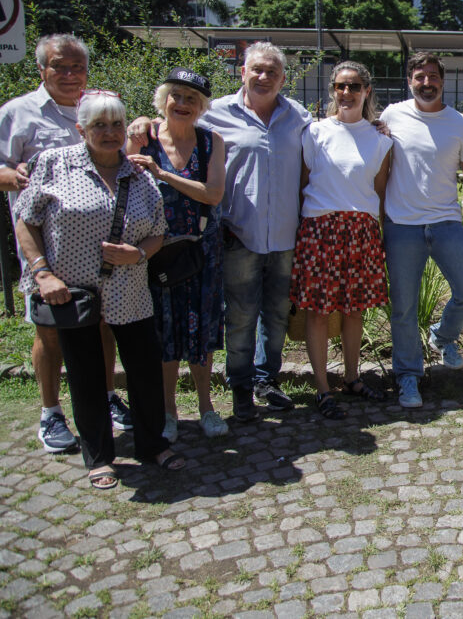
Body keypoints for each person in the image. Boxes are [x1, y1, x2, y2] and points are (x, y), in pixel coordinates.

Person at [12, 92, 182, 490]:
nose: (109, 133)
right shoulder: (55, 165)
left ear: (126, 128)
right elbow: (26, 219)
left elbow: (159, 231)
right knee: (87, 375)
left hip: (130, 291)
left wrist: (137, 252)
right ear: (81, 129)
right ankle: (99, 457)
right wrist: (42, 273)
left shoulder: (139, 174)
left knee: (144, 373)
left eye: (116, 125)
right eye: (99, 125)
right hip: (73, 293)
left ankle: (153, 444)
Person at [0, 33, 130, 454]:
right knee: (50, 330)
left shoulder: (98, 107)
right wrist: (21, 178)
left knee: (102, 323)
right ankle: (51, 412)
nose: (69, 75)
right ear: (42, 70)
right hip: (46, 245)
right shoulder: (19, 113)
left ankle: (103, 397)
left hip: (101, 243)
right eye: (59, 67)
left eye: (76, 67)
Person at [197, 42, 311, 420]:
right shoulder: (214, 115)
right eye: (257, 70)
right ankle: (241, 388)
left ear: (283, 78)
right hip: (238, 236)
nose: (264, 77)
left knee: (277, 315)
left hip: (284, 237)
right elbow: (175, 135)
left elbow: (333, 137)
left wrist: (376, 125)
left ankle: (267, 379)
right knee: (241, 317)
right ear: (242, 72)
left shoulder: (297, 117)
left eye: (273, 72)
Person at [126, 68, 229, 440]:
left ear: (201, 107)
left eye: (191, 99)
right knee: (164, 333)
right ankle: (168, 412)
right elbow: (121, 184)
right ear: (163, 100)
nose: (183, 104)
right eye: (176, 96)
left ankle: (206, 408)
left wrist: (164, 175)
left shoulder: (211, 140)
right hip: (156, 255)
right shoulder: (144, 139)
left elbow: (213, 194)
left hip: (202, 252)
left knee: (202, 331)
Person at [381, 52, 463, 408]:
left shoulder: (462, 125)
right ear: (409, 80)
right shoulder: (391, 116)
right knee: (404, 308)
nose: (427, 83)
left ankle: (442, 336)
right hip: (402, 226)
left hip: (446, 223)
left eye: (433, 76)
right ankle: (408, 377)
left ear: (443, 80)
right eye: (419, 76)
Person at [291, 62, 393, 419]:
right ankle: (322, 388)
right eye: (339, 86)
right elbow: (304, 183)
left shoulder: (381, 138)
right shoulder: (315, 132)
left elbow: (378, 193)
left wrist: (370, 233)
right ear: (332, 90)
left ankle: (352, 378)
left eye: (353, 86)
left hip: (361, 231)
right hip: (320, 230)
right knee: (318, 313)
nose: (346, 93)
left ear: (366, 90)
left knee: (354, 310)